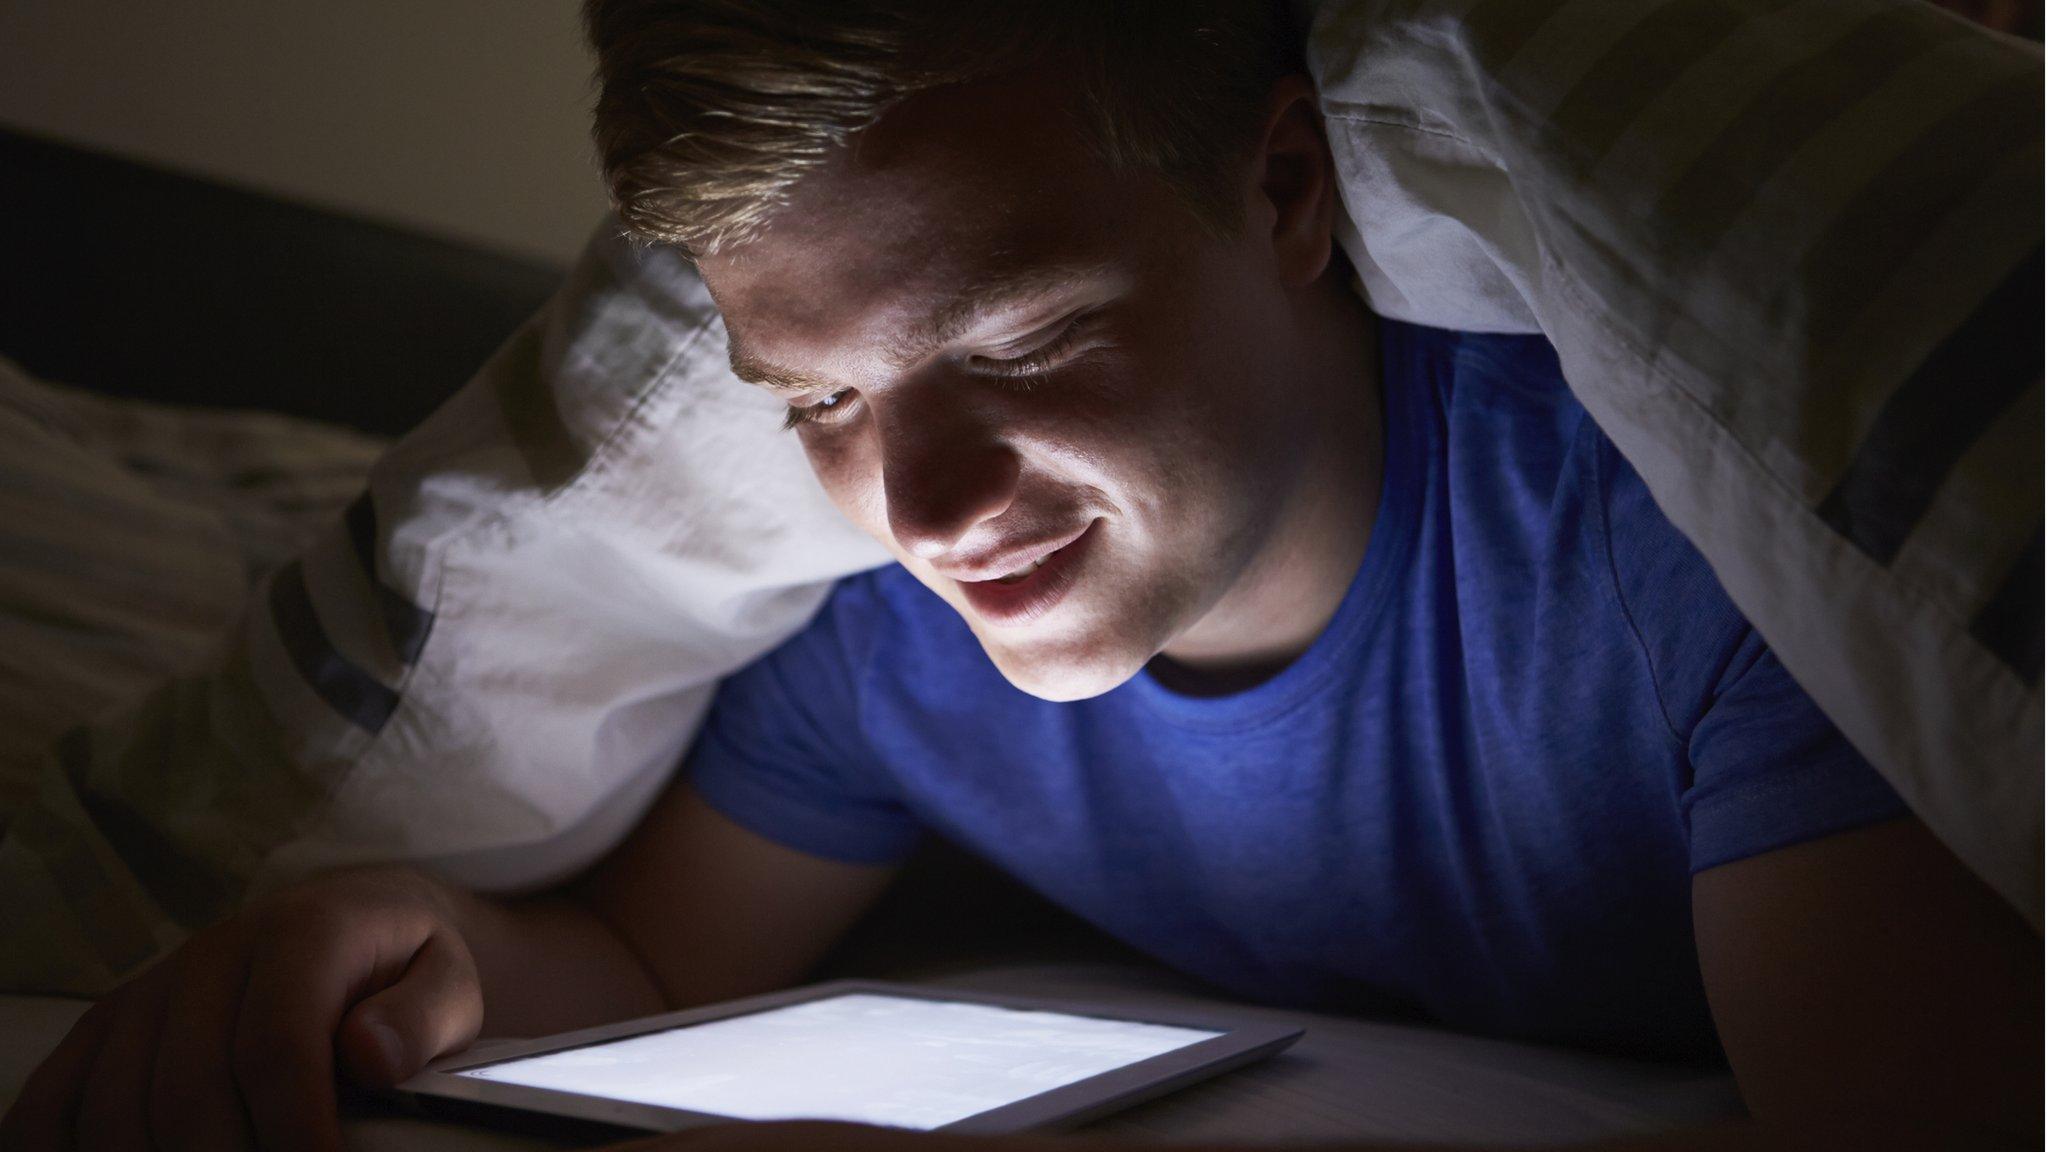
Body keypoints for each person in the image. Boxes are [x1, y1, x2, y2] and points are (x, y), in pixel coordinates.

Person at [2, 2, 2038, 1150]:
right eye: (815, 397)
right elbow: (644, 973)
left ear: (1283, 191)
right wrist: (418, 937)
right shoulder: (876, 630)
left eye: (1025, 342)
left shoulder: (1664, 551)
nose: (926, 495)